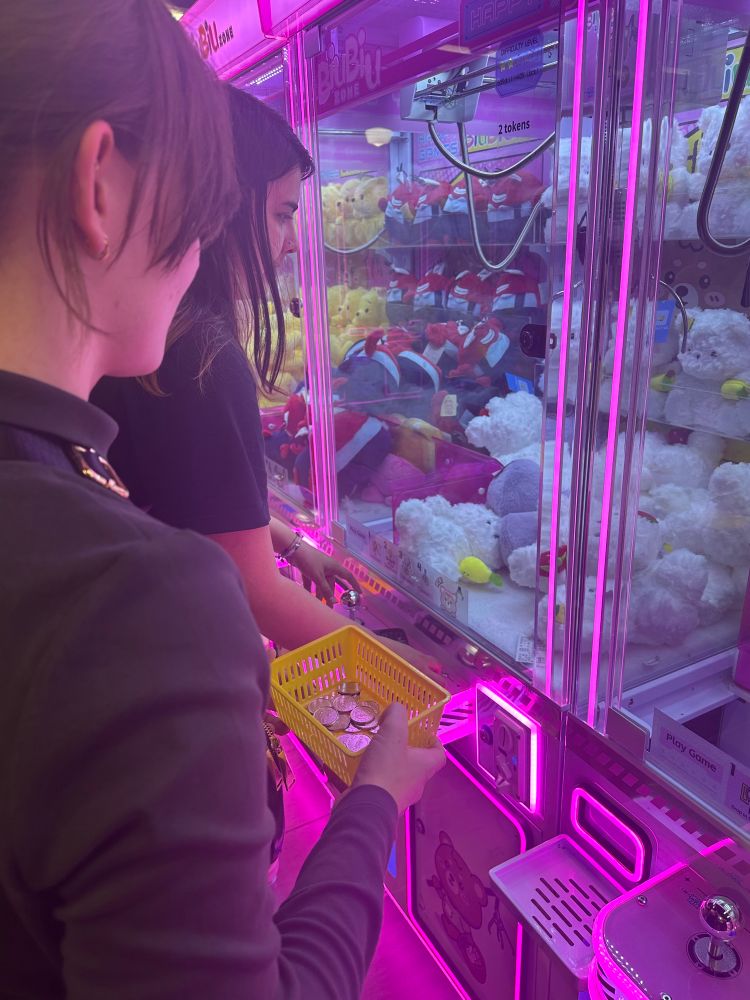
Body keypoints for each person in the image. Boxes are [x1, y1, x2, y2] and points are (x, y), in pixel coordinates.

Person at [0, 4, 445, 999]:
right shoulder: (140, 602)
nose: (207, 246)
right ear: (100, 180)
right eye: (204, 203)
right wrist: (373, 799)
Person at [92, 87, 436, 666]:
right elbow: (256, 592)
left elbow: (194, 494)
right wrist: (389, 658)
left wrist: (289, 541)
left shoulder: (159, 337)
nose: (287, 243)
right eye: (280, 215)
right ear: (222, 207)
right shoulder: (204, 360)